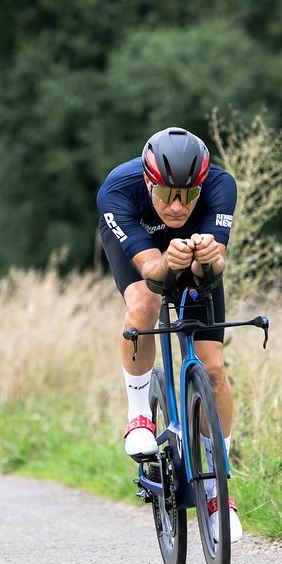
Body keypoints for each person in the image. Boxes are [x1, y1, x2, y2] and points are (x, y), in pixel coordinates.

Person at [96, 126, 241, 542]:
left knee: (213, 370)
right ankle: (139, 411)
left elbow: (212, 273)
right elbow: (153, 275)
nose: (177, 207)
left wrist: (208, 262)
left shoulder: (220, 185)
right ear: (148, 181)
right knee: (143, 302)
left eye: (188, 196)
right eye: (166, 195)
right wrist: (168, 261)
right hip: (144, 260)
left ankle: (219, 489)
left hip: (193, 262)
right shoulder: (117, 191)